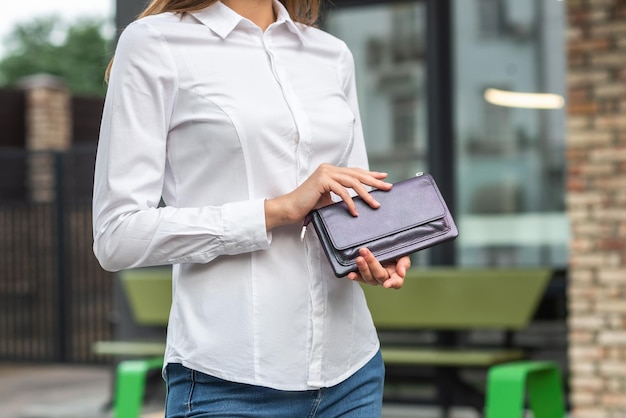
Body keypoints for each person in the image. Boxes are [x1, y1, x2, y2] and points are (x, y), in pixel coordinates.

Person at [92, 0, 411, 416]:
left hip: (353, 375)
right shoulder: (155, 42)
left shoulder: (331, 54)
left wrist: (373, 252)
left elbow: (356, 198)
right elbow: (116, 235)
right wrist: (274, 210)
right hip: (230, 383)